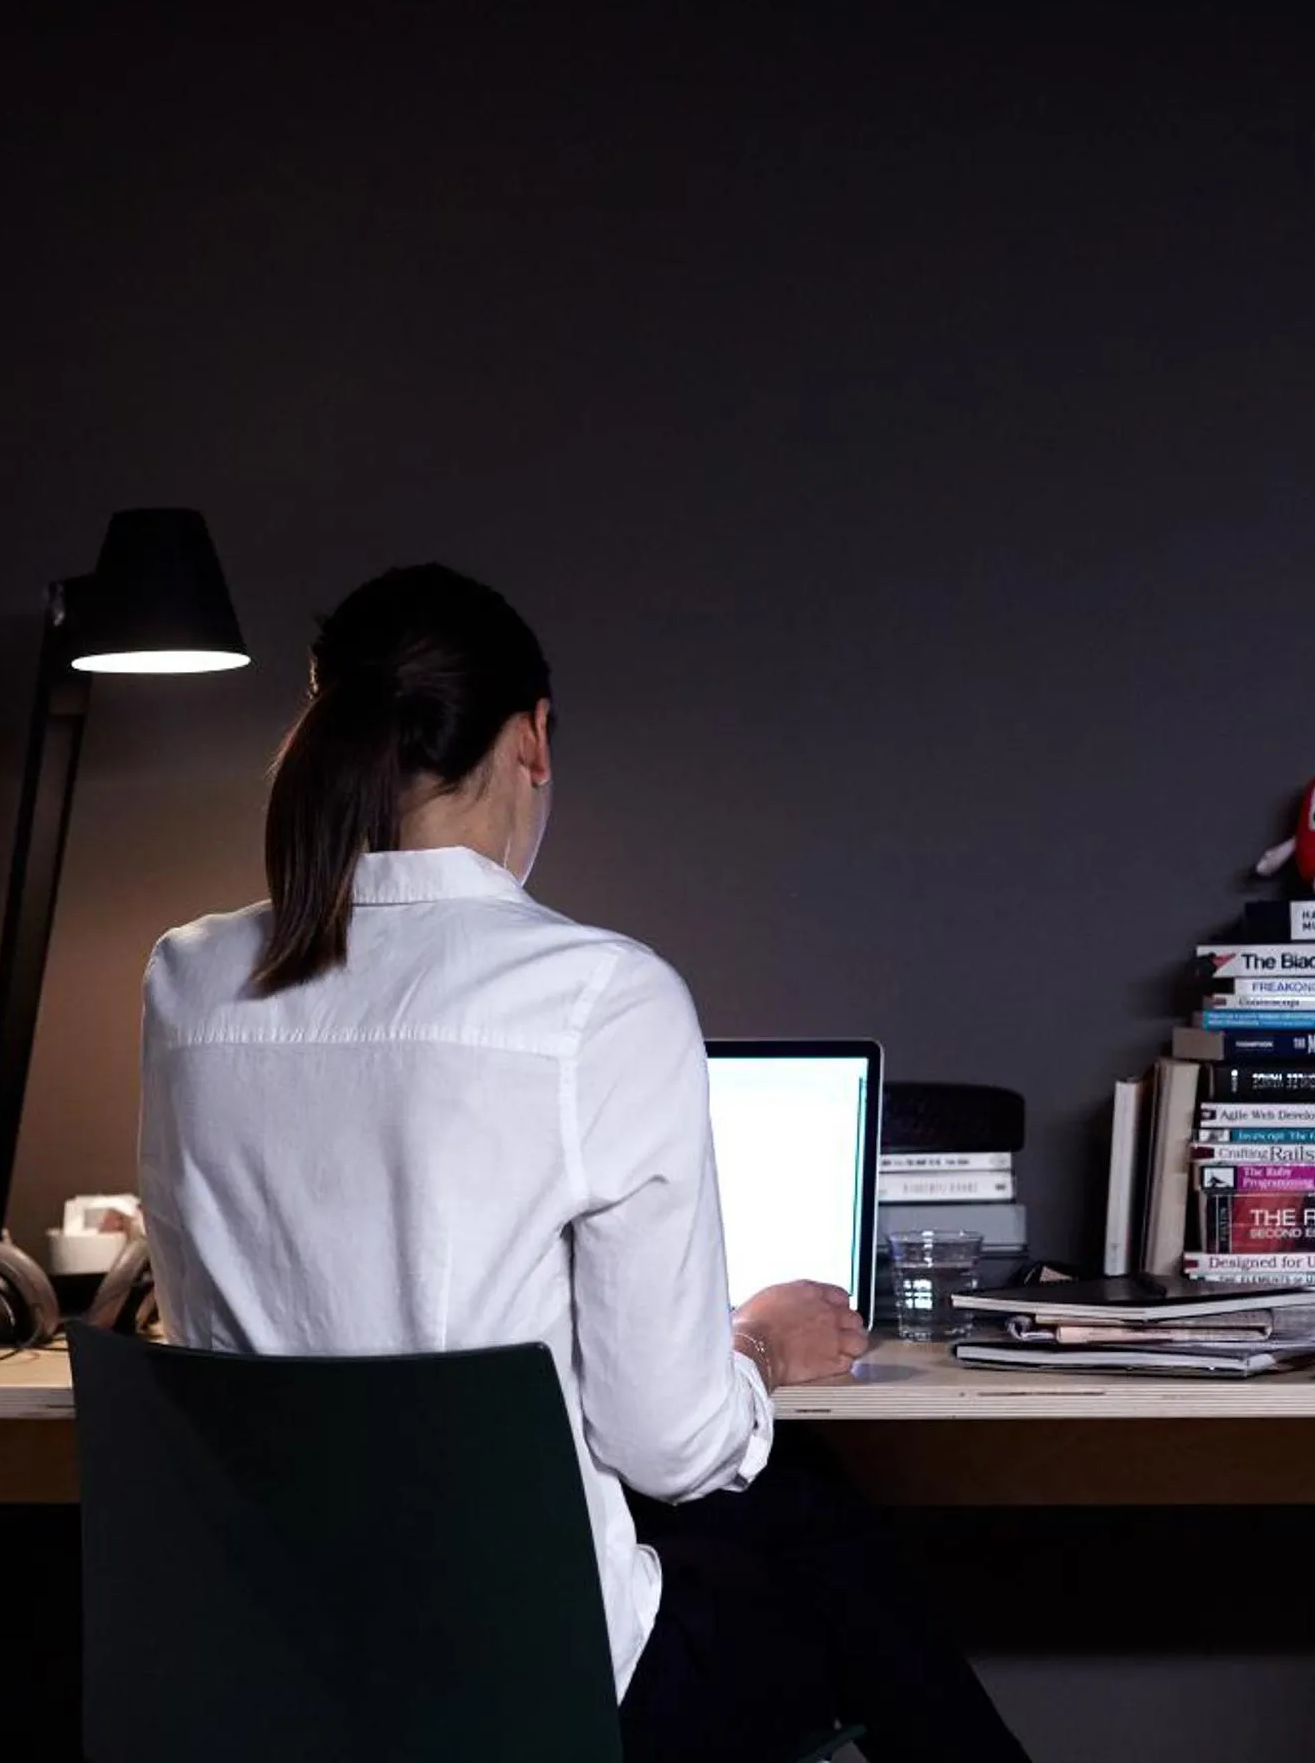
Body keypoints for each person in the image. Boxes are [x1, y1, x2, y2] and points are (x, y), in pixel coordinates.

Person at [138, 564, 1028, 1763]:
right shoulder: (597, 995)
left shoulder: (187, 981)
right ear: (533, 740)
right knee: (811, 1518)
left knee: (809, 1532)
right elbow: (670, 1440)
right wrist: (760, 1340)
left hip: (271, 1670)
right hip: (543, 1687)